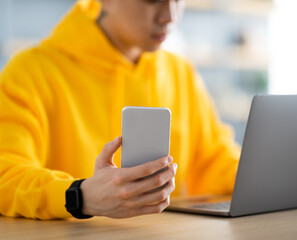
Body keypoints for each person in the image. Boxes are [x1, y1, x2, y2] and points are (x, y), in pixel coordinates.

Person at [0, 0, 240, 220]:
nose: (169, 16)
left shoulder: (180, 71)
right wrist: (78, 196)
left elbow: (214, 162)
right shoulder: (29, 73)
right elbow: (5, 176)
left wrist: (267, 176)